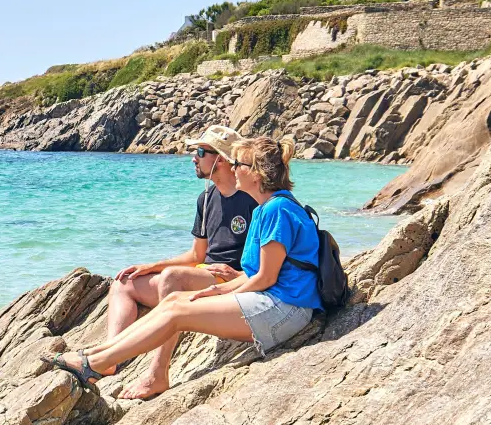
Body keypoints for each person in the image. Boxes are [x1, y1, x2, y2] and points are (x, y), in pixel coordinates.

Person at [43, 136, 322, 399]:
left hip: (286, 310)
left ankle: (97, 364)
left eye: (239, 164)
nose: (233, 168)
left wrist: (218, 291)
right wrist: (220, 287)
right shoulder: (264, 208)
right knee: (175, 300)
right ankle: (96, 354)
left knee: (178, 311)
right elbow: (254, 274)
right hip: (272, 301)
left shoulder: (277, 209)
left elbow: (265, 277)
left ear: (257, 174)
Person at [101, 126, 257, 399]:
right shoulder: (206, 198)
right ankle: (109, 358)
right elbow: (197, 255)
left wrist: (238, 275)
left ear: (219, 159)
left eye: (199, 152)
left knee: (173, 277)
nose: (192, 158)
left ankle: (157, 374)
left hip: (228, 281)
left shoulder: (252, 199)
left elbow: (266, 261)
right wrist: (153, 266)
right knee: (124, 281)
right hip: (202, 273)